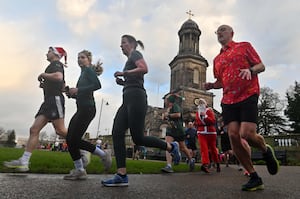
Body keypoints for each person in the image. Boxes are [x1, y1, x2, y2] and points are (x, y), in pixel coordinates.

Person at [204, 24, 279, 191]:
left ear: (231, 33)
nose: (219, 32)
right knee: (233, 135)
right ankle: (254, 177)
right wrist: (211, 85)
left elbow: (261, 66)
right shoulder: (217, 60)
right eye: (217, 31)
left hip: (248, 94)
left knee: (246, 133)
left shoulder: (244, 46)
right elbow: (221, 82)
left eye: (223, 29)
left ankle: (265, 150)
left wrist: (251, 70)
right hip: (229, 100)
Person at [101, 35, 181, 187]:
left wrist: (124, 73)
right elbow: (135, 79)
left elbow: (144, 68)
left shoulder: (135, 54)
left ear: (131, 44)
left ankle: (171, 147)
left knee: (138, 139)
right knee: (117, 132)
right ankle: (121, 175)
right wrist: (123, 83)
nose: (121, 46)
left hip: (137, 98)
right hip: (127, 98)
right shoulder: (129, 59)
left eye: (123, 42)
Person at [3, 47, 81, 171]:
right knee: (34, 129)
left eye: (49, 51)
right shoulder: (53, 66)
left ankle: (83, 148)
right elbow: (61, 85)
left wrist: (43, 75)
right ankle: (24, 161)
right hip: (48, 101)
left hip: (54, 100)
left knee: (60, 131)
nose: (46, 53)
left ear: (55, 54)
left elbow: (58, 77)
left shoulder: (56, 64)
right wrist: (45, 84)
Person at [63, 50, 112, 180]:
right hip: (82, 108)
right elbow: (84, 94)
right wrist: (72, 94)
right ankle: (79, 169)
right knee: (70, 139)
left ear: (89, 60)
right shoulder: (83, 72)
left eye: (83, 57)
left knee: (74, 139)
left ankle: (102, 155)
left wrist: (78, 90)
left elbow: (97, 85)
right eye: (78, 57)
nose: (80, 59)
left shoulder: (88, 70)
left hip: (88, 109)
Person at [160, 94, 196, 173]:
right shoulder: (168, 108)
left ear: (169, 101)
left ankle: (191, 160)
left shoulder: (175, 106)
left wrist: (168, 115)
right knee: (167, 145)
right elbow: (165, 118)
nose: (165, 101)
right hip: (170, 130)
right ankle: (169, 166)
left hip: (178, 130)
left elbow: (178, 114)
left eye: (166, 99)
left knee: (183, 148)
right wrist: (164, 116)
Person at [194, 98, 220, 173]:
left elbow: (213, 121)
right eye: (200, 102)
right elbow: (197, 122)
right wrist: (196, 124)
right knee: (204, 148)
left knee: (213, 149)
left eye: (202, 102)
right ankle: (205, 164)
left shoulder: (209, 111)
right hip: (201, 133)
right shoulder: (197, 112)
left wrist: (205, 117)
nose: (201, 103)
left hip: (211, 133)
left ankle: (217, 163)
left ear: (205, 104)